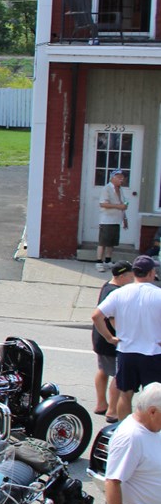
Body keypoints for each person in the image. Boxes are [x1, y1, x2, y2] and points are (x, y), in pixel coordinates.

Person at [95, 256, 161, 418]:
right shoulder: (158, 295)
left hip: (127, 352)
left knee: (125, 394)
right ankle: (149, 429)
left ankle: (124, 427)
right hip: (152, 354)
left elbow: (97, 316)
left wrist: (110, 338)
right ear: (152, 273)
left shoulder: (120, 293)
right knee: (153, 396)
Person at [94, 262, 134, 423]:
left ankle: (101, 404)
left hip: (99, 337)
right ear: (122, 276)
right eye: (130, 277)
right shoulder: (115, 292)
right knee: (118, 375)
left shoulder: (106, 286)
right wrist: (121, 335)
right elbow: (111, 318)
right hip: (111, 339)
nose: (131, 280)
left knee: (103, 370)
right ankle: (112, 411)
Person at [98, 169, 129, 270]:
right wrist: (118, 206)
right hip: (107, 220)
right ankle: (99, 262)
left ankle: (108, 260)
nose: (121, 179)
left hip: (117, 219)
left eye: (122, 177)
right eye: (119, 177)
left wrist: (124, 218)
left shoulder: (120, 190)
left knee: (112, 243)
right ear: (112, 178)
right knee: (103, 242)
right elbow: (103, 203)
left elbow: (122, 204)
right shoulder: (106, 189)